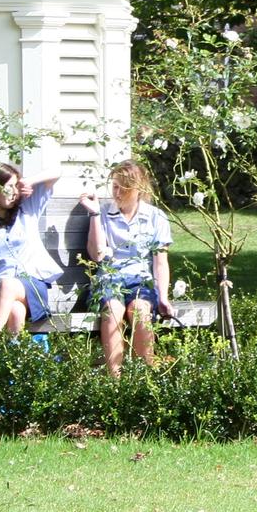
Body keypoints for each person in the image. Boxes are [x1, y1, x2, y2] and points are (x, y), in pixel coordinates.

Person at [82, 160, 175, 375]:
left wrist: (163, 297)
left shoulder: (155, 217)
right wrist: (95, 214)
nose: (117, 192)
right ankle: (115, 383)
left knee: (140, 311)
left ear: (138, 189)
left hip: (141, 279)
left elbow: (160, 262)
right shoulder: (104, 214)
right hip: (109, 278)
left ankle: (144, 377)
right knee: (113, 311)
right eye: (114, 186)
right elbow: (96, 255)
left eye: (124, 187)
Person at [0, 162, 62, 336]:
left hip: (30, 285)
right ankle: (9, 359)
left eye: (16, 186)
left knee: (8, 284)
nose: (15, 192)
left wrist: (29, 181)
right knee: (16, 310)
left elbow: (57, 171)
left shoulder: (28, 208)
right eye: (9, 187)